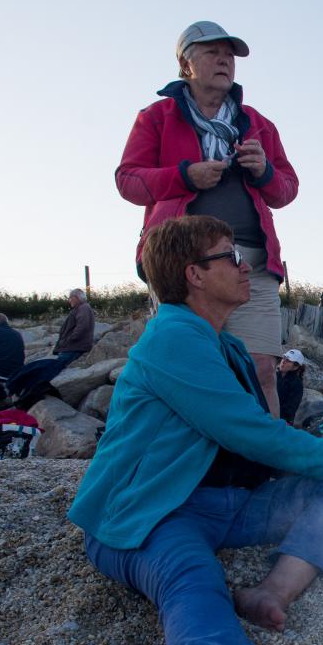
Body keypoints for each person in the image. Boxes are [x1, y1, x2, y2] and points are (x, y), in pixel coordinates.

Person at [68, 216, 323, 645]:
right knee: (192, 576)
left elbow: (257, 437)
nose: (245, 267)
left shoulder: (224, 344)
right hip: (148, 513)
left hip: (227, 505)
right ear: (194, 274)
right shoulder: (171, 337)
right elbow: (243, 429)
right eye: (230, 257)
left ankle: (271, 592)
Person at [117, 21, 298, 417]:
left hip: (251, 261)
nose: (224, 61)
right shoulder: (157, 117)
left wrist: (264, 171)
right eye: (212, 53)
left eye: (229, 55)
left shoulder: (257, 123)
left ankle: (265, 454)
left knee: (261, 369)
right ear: (186, 64)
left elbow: (287, 190)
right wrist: (184, 176)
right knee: (187, 369)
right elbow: (127, 181)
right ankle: (192, 452)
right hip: (183, 263)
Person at [53, 288, 96, 366]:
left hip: (75, 347)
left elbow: (82, 327)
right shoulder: (80, 308)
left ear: (76, 297)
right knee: (56, 364)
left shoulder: (84, 308)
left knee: (56, 365)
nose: (69, 301)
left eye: (70, 298)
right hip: (73, 346)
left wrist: (69, 339)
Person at [275, 348, 306, 424]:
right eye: (284, 358)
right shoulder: (274, 375)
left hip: (281, 421)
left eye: (288, 360)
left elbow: (290, 409)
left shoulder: (297, 384)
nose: (283, 361)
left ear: (295, 366)